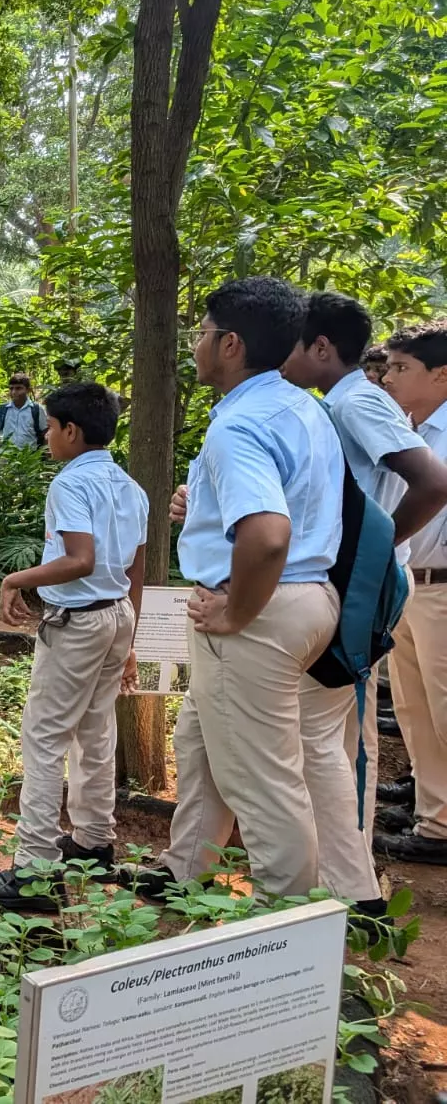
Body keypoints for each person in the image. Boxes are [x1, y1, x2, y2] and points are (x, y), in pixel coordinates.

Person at [142, 278, 342, 901]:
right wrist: (199, 504)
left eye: (201, 333)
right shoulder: (299, 407)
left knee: (263, 781)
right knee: (201, 744)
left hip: (257, 610)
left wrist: (236, 613)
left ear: (230, 344)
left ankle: (286, 933)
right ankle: (186, 873)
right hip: (305, 599)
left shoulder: (241, 425)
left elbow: (268, 533)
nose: (195, 345)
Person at [280, 295, 447, 897]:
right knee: (339, 732)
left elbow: (433, 481)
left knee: (348, 739)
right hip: (352, 581)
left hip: (362, 585)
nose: (284, 355)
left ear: (321, 347)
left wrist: (375, 551)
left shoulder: (357, 401)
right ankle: (341, 870)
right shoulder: (334, 405)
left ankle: (352, 884)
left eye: (293, 343)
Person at [0, 383, 146, 912]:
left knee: (44, 737)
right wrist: (131, 635)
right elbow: (134, 568)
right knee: (96, 729)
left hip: (77, 621)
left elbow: (79, 558)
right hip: (116, 614)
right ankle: (94, 840)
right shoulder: (129, 486)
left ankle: (34, 868)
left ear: (71, 432)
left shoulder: (70, 484)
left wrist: (16, 578)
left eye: (50, 426)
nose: (46, 435)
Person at [371, 320, 447, 865]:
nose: (389, 377)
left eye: (402, 368)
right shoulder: (401, 425)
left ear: (441, 375)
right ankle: (434, 816)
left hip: (444, 585)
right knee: (415, 709)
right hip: (406, 583)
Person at [0, 373, 49, 450]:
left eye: (18, 388)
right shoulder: (2, 410)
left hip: (29, 457)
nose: (13, 392)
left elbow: (45, 432)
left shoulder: (37, 409)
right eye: (11, 388)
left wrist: (45, 453)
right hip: (5, 457)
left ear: (28, 390)